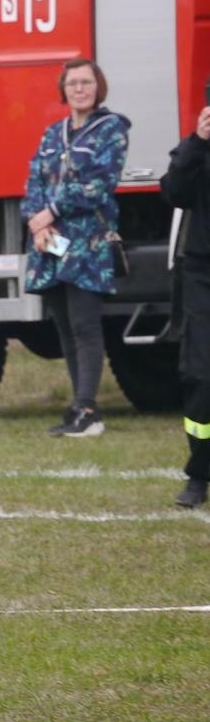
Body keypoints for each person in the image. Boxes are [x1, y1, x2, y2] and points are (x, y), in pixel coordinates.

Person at [21, 59, 129, 438]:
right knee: (64, 324)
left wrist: (50, 211)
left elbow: (99, 184)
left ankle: (89, 410)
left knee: (85, 323)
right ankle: (77, 405)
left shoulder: (111, 130)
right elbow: (34, 177)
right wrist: (36, 219)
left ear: (98, 87)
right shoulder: (54, 134)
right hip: (50, 242)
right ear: (63, 89)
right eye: (72, 83)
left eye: (86, 82)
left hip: (88, 241)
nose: (79, 89)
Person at [160, 104, 210, 509]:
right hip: (203, 273)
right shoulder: (198, 145)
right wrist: (198, 142)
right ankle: (199, 473)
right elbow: (173, 191)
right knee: (201, 376)